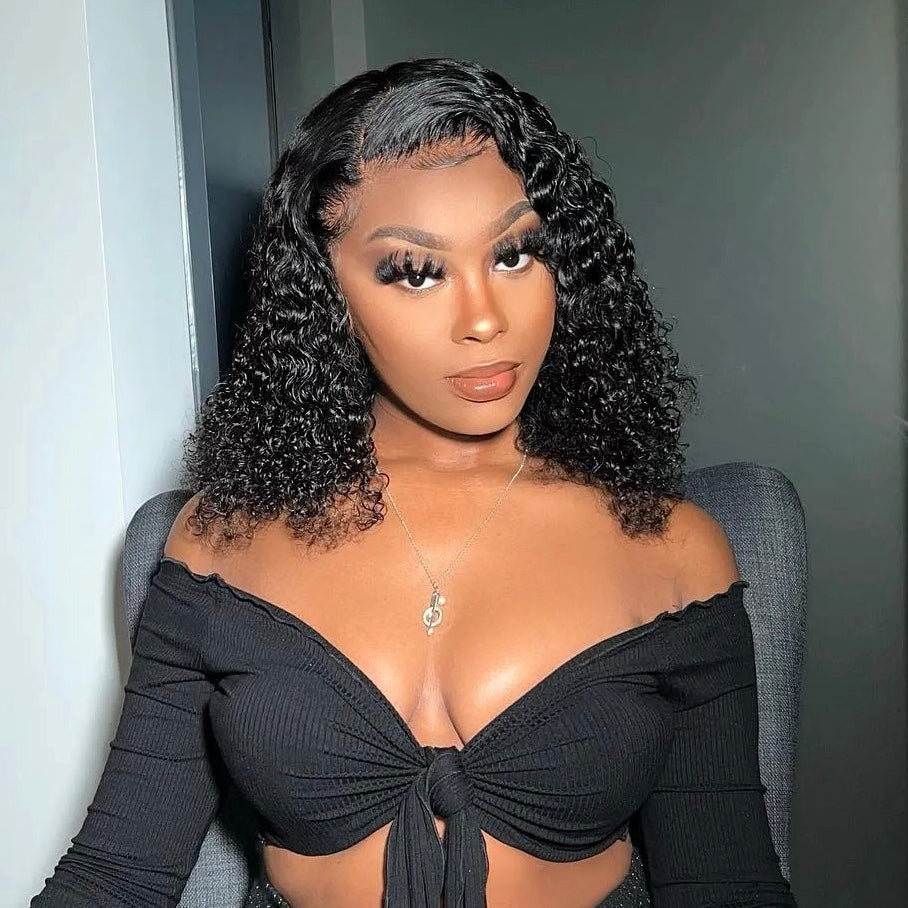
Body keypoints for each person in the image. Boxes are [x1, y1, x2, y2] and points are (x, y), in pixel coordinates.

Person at [30, 57, 797, 908]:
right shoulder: (222, 543)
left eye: (515, 253)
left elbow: (725, 883)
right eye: (415, 271)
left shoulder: (673, 548)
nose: (484, 318)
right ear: (325, 289)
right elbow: (116, 876)